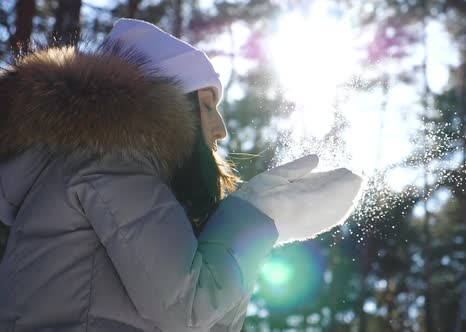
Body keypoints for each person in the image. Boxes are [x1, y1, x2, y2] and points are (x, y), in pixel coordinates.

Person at [0, 19, 363, 332]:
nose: (220, 129)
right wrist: (255, 215)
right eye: (207, 106)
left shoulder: (109, 173)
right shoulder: (110, 163)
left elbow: (204, 322)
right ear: (166, 108)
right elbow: (187, 309)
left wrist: (255, 232)